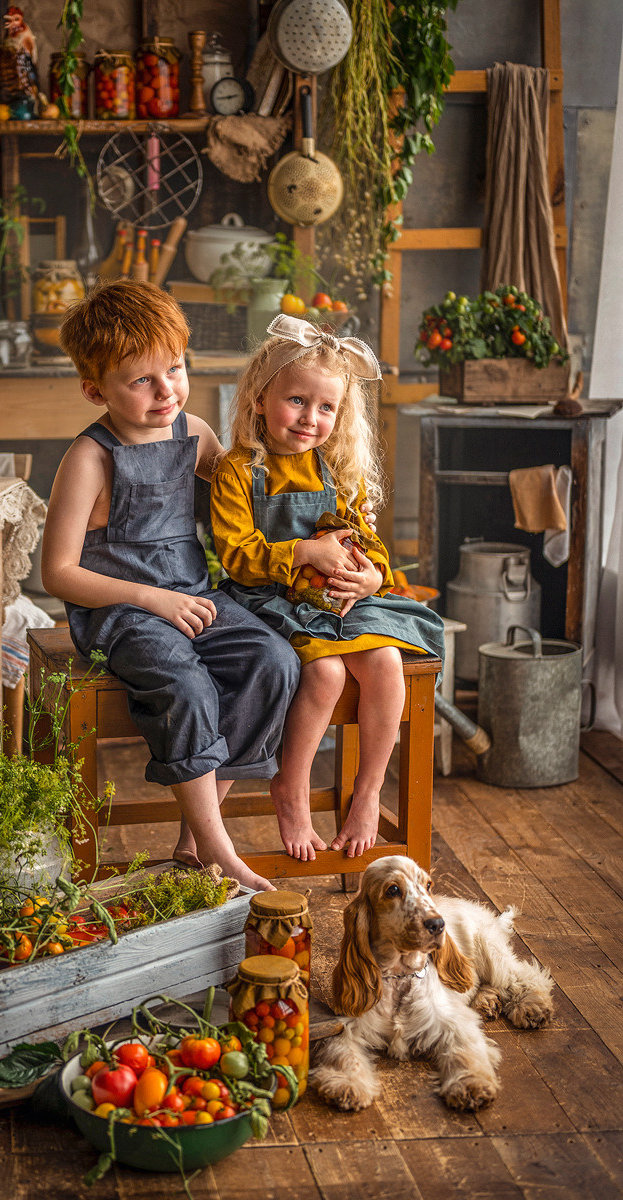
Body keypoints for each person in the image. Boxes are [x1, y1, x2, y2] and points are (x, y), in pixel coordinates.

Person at [40, 280, 302, 892]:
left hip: (193, 594)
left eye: (175, 371)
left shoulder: (195, 432)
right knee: (183, 682)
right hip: (119, 611)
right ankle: (217, 844)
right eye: (142, 381)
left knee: (274, 660)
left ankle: (194, 834)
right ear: (93, 388)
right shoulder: (89, 457)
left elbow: (245, 500)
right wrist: (149, 598)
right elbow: (58, 573)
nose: (167, 392)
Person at [210, 314, 445, 863]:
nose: (309, 418)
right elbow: (236, 555)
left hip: (340, 597)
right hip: (269, 598)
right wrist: (302, 553)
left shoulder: (338, 469)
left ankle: (367, 794)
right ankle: (290, 789)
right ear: (261, 396)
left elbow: (367, 541)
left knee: (386, 663)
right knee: (326, 671)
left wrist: (373, 576)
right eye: (296, 400)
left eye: (326, 407)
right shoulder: (241, 469)